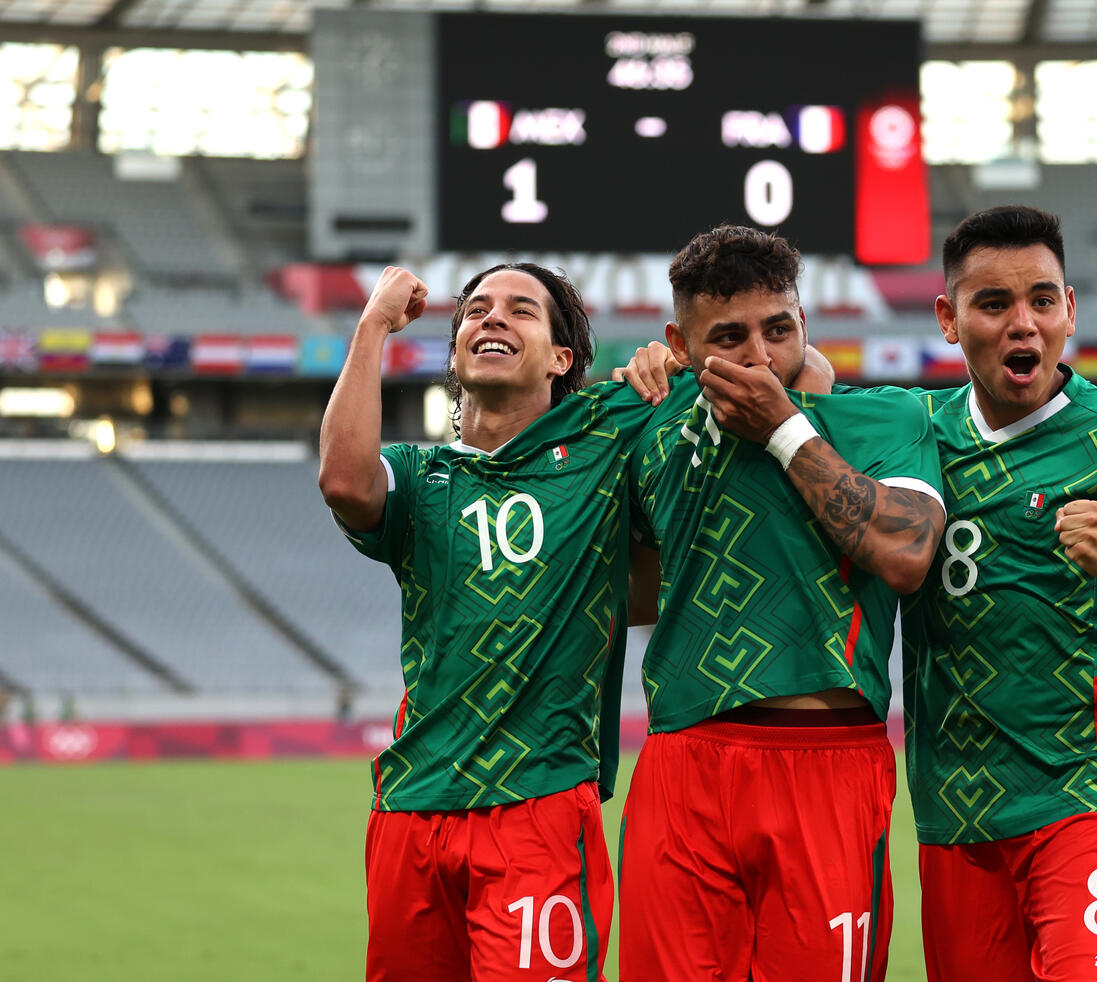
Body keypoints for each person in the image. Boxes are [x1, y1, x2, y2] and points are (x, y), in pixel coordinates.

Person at [894, 206, 1097, 982]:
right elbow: (802, 394)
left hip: (1083, 801)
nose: (1024, 324)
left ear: (1070, 311)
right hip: (957, 816)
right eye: (994, 304)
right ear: (949, 318)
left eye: (1042, 301)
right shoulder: (914, 437)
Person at [617, 224, 946, 982]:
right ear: (680, 341)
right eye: (728, 337)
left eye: (780, 329)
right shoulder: (653, 432)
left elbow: (905, 555)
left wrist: (786, 430)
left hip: (827, 763)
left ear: (806, 323)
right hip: (682, 763)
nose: (761, 357)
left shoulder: (888, 420)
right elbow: (625, 595)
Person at [319, 262, 657, 981]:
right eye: (475, 310)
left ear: (562, 359)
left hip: (537, 801)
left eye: (520, 310)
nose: (492, 318)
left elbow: (770, 365)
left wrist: (667, 362)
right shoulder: (419, 474)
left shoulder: (603, 446)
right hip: (412, 806)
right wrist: (373, 323)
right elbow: (344, 481)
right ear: (454, 354)